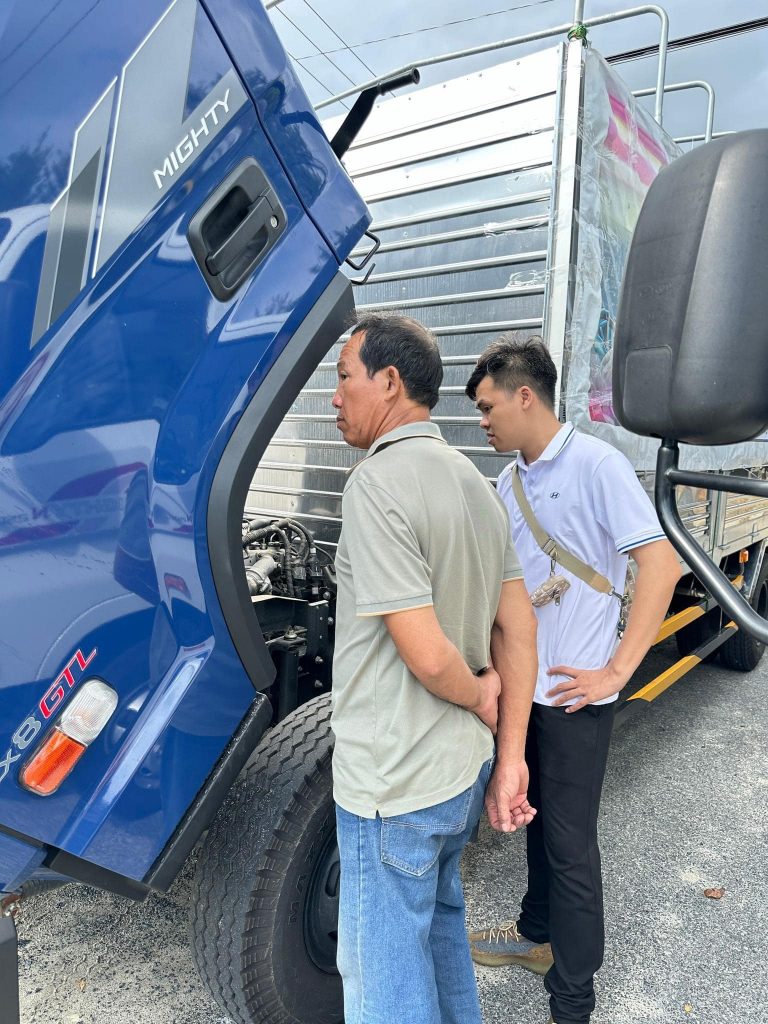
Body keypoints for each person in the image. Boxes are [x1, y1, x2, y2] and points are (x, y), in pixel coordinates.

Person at [464, 336, 681, 1024]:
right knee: (536, 825)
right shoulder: (509, 482)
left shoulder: (596, 464)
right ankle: (535, 935)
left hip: (573, 700)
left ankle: (573, 1000)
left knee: (570, 848)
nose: (481, 421)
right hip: (523, 696)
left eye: (487, 406)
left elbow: (661, 563)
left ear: (525, 396)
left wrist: (617, 669)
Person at [330, 312, 538, 1024]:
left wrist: (479, 695)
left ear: (389, 382)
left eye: (344, 377)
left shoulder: (376, 484)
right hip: (459, 773)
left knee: (382, 983)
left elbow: (424, 654)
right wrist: (510, 755)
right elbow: (519, 627)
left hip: (394, 781)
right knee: (443, 935)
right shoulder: (476, 484)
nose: (335, 397)